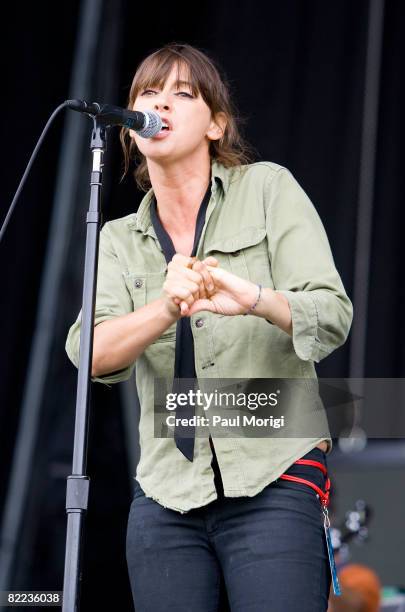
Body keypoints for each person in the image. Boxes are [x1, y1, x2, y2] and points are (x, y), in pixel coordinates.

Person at [66, 43, 353, 612]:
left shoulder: (268, 188)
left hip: (276, 468)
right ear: (128, 126)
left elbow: (332, 312)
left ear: (217, 125)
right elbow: (89, 355)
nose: (160, 102)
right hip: (166, 490)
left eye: (182, 92)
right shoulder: (118, 240)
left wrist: (255, 298)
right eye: (147, 92)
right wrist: (165, 308)